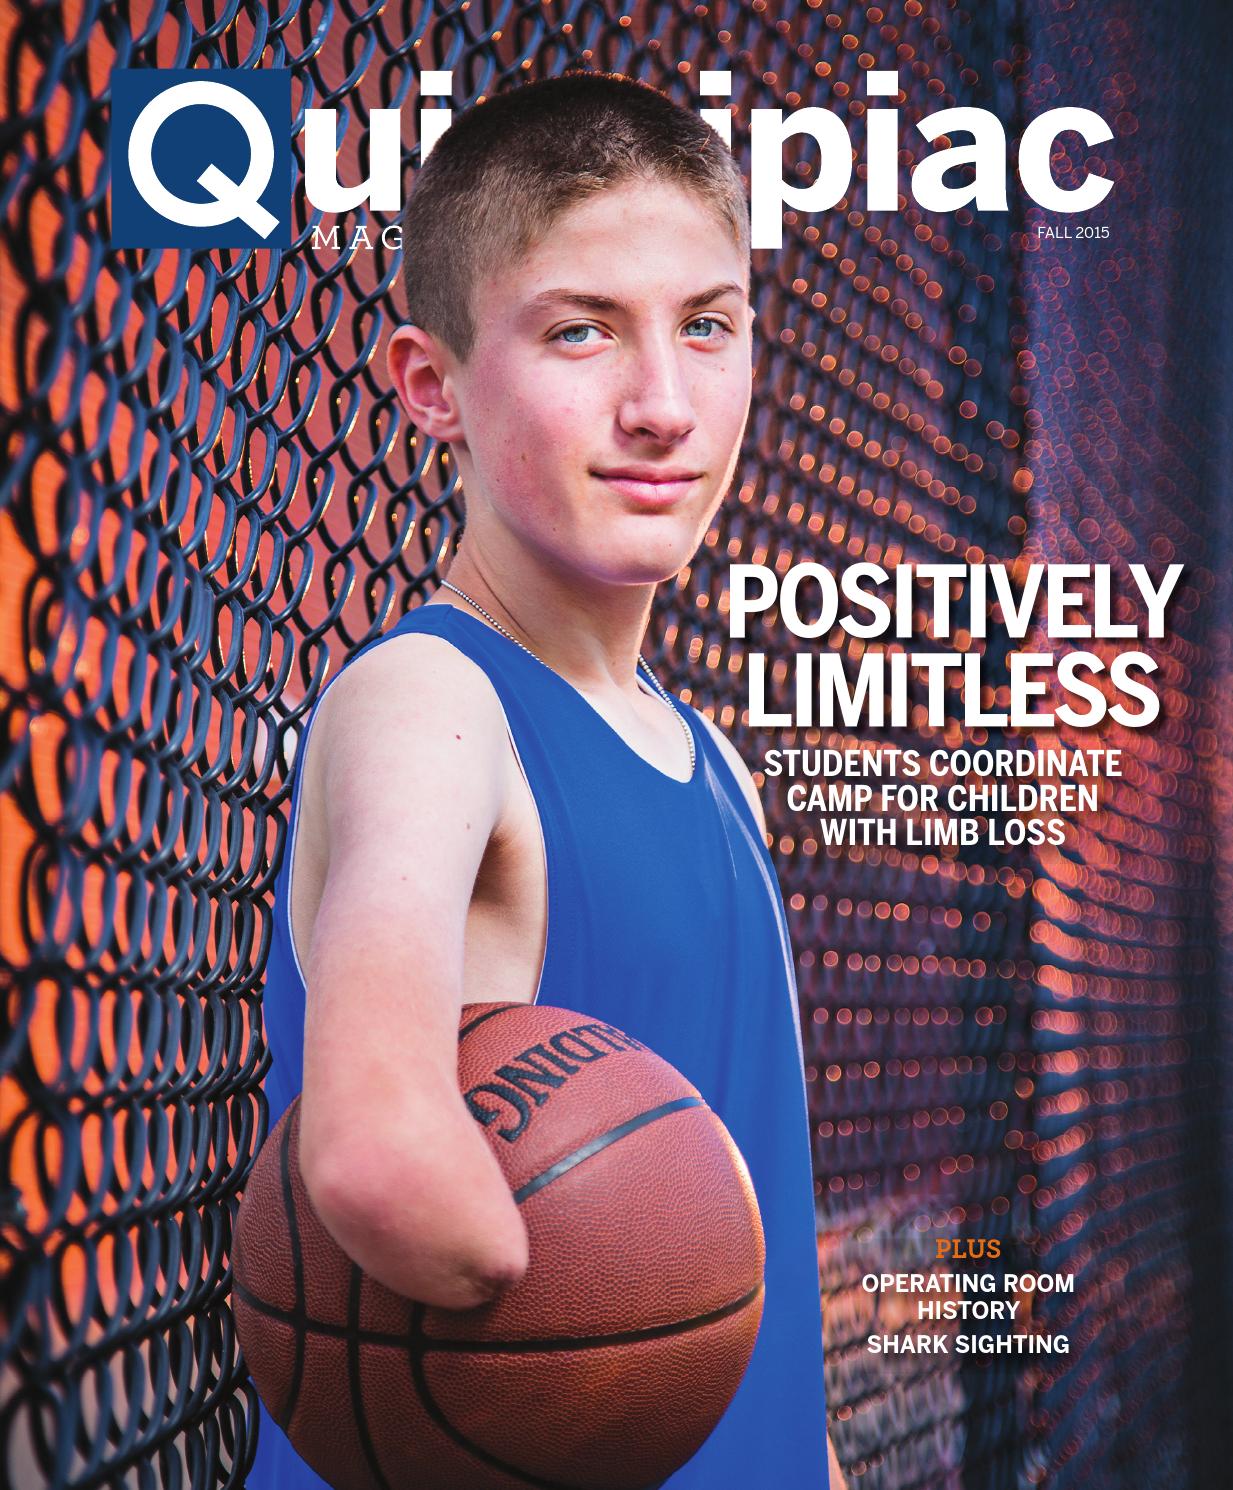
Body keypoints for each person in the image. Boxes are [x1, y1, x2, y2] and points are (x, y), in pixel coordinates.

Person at [252, 70, 845, 1490]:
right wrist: (579, 1327)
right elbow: (379, 1157)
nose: (661, 403)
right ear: (430, 386)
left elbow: (757, 1307)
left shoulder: (712, 764)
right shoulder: (433, 705)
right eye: (580, 332)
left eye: (707, 327)